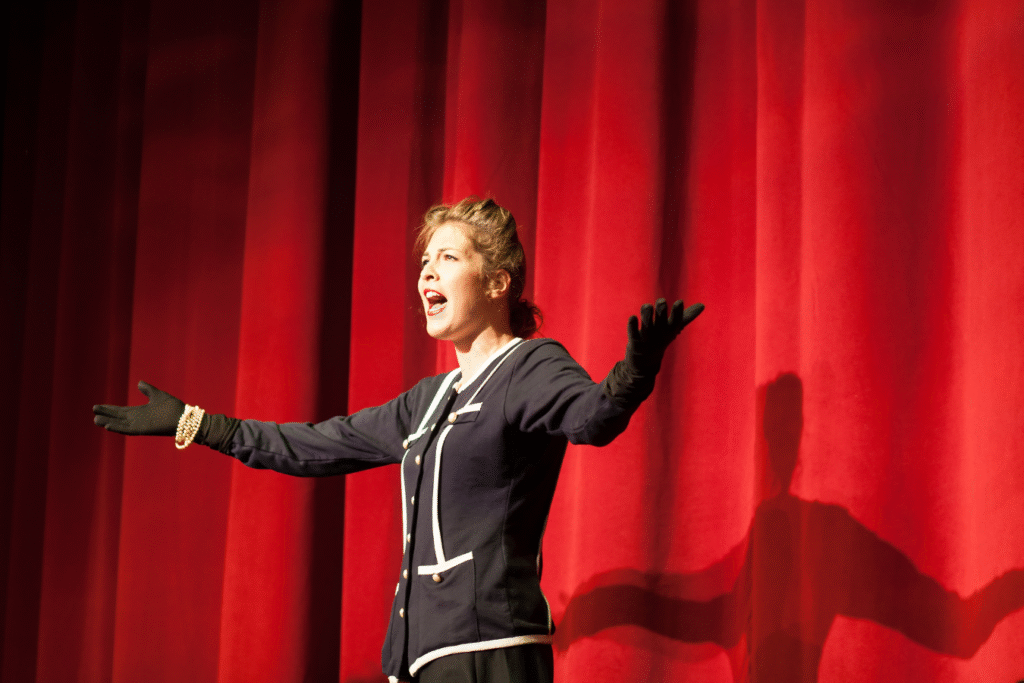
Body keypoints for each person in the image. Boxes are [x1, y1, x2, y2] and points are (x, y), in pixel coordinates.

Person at [93, 197, 704, 683]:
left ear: (498, 283)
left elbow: (593, 419)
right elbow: (313, 446)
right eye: (424, 262)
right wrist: (194, 423)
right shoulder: (427, 400)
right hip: (418, 658)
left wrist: (634, 371)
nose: (427, 273)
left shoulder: (529, 365)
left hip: (488, 651)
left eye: (449, 259)